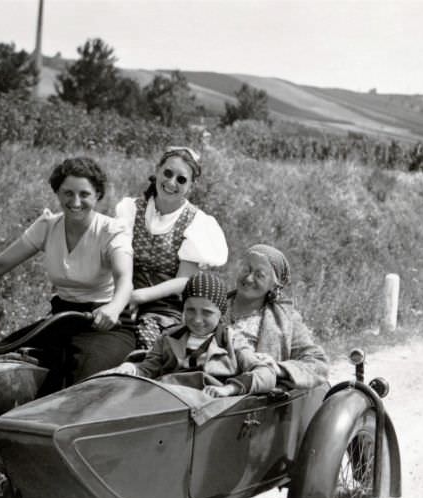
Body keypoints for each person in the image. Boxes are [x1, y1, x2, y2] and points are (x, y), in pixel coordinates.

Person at [0, 156, 135, 389]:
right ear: (57, 193)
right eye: (68, 193)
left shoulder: (111, 231)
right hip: (62, 319)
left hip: (104, 325)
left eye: (84, 194)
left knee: (80, 386)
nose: (75, 202)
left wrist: (114, 308)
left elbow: (124, 278)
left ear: (97, 195)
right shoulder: (48, 226)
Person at [114, 146, 229, 349]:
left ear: (191, 186)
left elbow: (184, 280)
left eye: (181, 179)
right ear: (157, 171)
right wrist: (125, 294)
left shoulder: (196, 222)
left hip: (164, 305)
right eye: (167, 173)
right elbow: (117, 255)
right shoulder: (131, 209)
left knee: (148, 343)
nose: (171, 182)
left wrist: (141, 296)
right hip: (123, 290)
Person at [107, 272, 277, 398]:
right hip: (166, 399)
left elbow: (266, 373)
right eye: (190, 310)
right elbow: (149, 367)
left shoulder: (231, 342)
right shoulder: (169, 337)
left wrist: (229, 389)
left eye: (206, 313)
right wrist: (133, 368)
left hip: (207, 408)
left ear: (221, 313)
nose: (197, 320)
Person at [224, 244, 329, 389]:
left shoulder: (287, 320)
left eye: (259, 275)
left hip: (254, 401)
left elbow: (318, 364)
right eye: (246, 269)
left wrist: (279, 369)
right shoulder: (213, 305)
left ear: (274, 285)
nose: (249, 278)